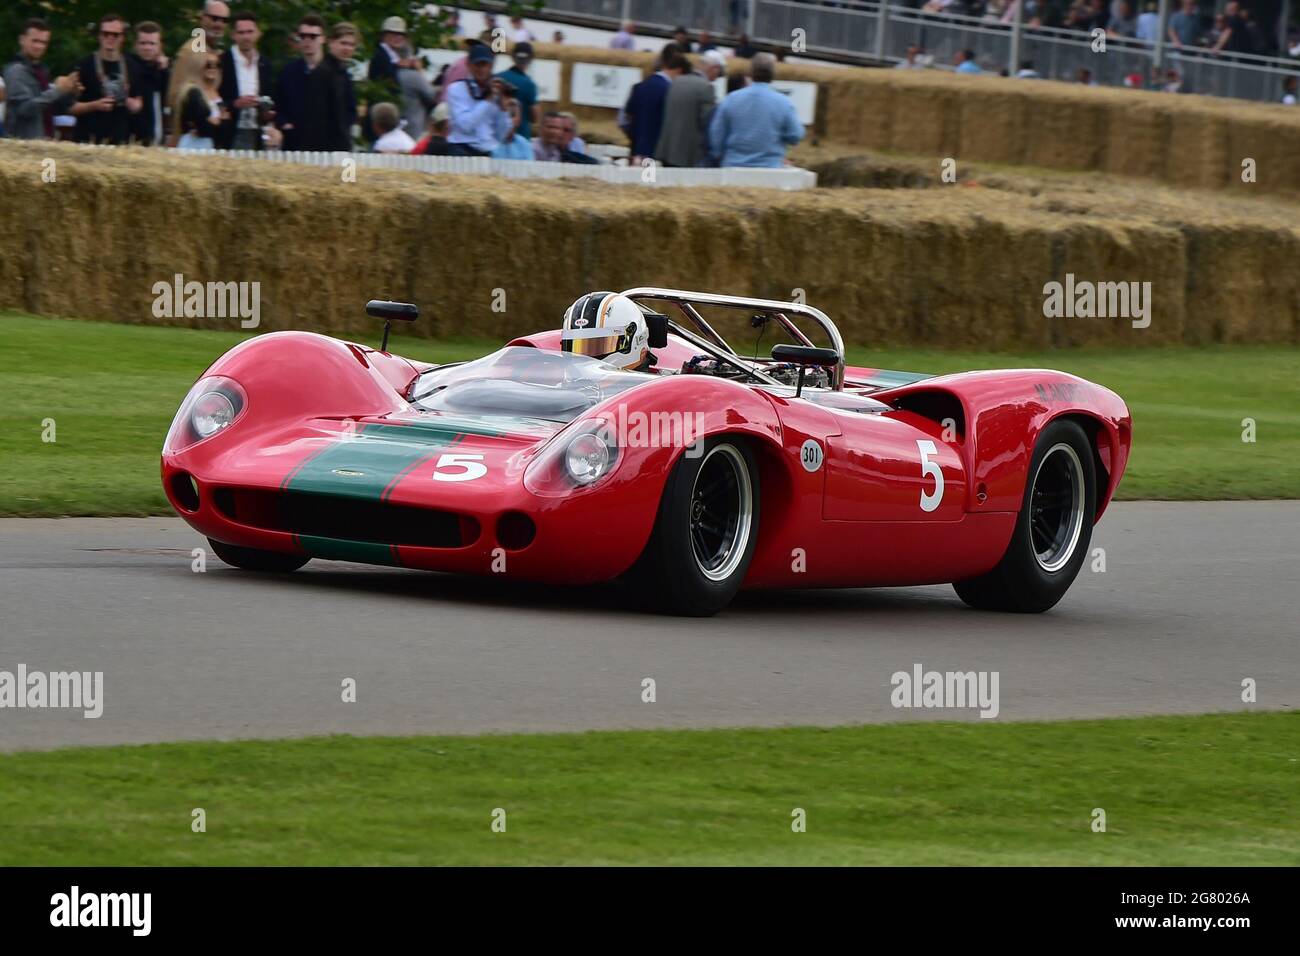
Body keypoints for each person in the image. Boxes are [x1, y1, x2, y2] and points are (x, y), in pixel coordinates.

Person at [708, 52, 802, 168]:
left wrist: (719, 155)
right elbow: (796, 135)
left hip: (733, 166)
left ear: (750, 74)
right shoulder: (784, 103)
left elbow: (716, 133)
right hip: (770, 168)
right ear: (772, 75)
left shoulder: (731, 99)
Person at [275, 14, 351, 150]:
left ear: (323, 39)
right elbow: (279, 105)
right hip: (295, 144)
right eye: (303, 36)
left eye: (313, 36)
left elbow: (347, 111)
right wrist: (284, 124)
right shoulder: (288, 71)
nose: (307, 41)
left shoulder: (337, 72)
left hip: (329, 146)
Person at [71, 12, 143, 145]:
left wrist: (126, 100)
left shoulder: (132, 66)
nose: (110, 38)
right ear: (99, 36)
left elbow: (138, 104)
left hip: (120, 141)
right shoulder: (84, 65)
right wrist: (95, 105)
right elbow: (70, 107)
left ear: (122, 37)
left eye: (115, 35)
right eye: (105, 34)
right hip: (87, 140)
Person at [3, 18, 81, 140]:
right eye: (35, 41)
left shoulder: (41, 70)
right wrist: (57, 90)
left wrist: (70, 92)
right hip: (22, 145)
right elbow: (24, 110)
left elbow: (51, 109)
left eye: (44, 42)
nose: (39, 46)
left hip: (42, 142)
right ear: (22, 40)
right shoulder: (15, 71)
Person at [167, 1, 230, 145]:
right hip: (189, 140)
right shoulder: (191, 51)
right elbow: (175, 96)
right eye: (214, 18)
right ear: (203, 18)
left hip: (211, 139)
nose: (219, 24)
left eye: (224, 20)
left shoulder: (217, 53)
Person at [370, 16, 436, 136]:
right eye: (394, 33)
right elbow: (431, 95)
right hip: (388, 120)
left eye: (401, 35)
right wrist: (418, 70)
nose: (398, 37)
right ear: (384, 35)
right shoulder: (382, 57)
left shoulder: (388, 56)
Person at [655, 50, 720, 168]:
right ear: (713, 69)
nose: (717, 76)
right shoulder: (706, 87)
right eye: (718, 72)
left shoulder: (676, 81)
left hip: (667, 148)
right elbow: (708, 122)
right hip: (688, 153)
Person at [621, 43, 685, 164]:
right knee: (649, 181)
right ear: (679, 68)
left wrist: (635, 136)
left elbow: (624, 119)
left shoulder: (638, 87)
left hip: (636, 152)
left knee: (637, 182)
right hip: (657, 156)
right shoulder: (671, 91)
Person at [446, 43, 512, 156]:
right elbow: (465, 125)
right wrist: (488, 100)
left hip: (487, 150)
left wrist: (503, 110)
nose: (482, 69)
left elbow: (502, 135)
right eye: (478, 65)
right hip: (461, 148)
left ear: (491, 66)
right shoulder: (456, 89)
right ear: (469, 65)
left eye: (485, 65)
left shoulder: (496, 90)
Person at [219, 11, 273, 150]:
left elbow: (270, 95)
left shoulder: (265, 63)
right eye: (241, 32)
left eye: (250, 32)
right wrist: (235, 104)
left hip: (259, 132)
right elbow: (212, 97)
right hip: (230, 132)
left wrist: (265, 107)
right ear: (233, 35)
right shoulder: (222, 61)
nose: (246, 37)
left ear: (258, 33)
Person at [560, 293, 653, 372]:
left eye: (597, 347)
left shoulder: (658, 392)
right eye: (576, 348)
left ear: (635, 341)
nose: (583, 359)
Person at [177, 52, 231, 149]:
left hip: (210, 146)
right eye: (208, 65)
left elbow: (226, 127)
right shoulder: (192, 91)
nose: (213, 68)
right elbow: (201, 125)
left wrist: (213, 122)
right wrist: (218, 122)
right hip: (192, 146)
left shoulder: (218, 93)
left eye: (217, 65)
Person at [129, 21, 169, 146]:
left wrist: (165, 71)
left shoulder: (164, 71)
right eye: (143, 43)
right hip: (132, 141)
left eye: (152, 43)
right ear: (135, 45)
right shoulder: (128, 67)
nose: (147, 47)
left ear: (160, 46)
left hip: (158, 141)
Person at [495, 42, 538, 140]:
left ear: (513, 57)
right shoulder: (529, 84)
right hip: (521, 137)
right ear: (531, 59)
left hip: (498, 136)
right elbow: (535, 117)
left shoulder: (497, 77)